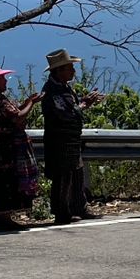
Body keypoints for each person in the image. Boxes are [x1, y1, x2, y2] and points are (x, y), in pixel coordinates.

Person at [0, 64, 41, 232]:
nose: (5, 81)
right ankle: (3, 218)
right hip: (3, 148)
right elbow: (17, 117)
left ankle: (3, 217)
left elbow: (11, 113)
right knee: (5, 181)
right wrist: (31, 103)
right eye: (1, 78)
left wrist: (25, 103)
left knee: (0, 181)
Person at [40, 48, 103, 224]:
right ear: (59, 71)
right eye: (69, 67)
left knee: (76, 175)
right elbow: (64, 114)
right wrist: (84, 104)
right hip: (59, 141)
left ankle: (78, 208)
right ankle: (62, 212)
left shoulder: (64, 88)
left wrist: (84, 102)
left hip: (71, 140)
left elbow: (71, 109)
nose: (73, 71)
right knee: (63, 177)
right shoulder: (51, 91)